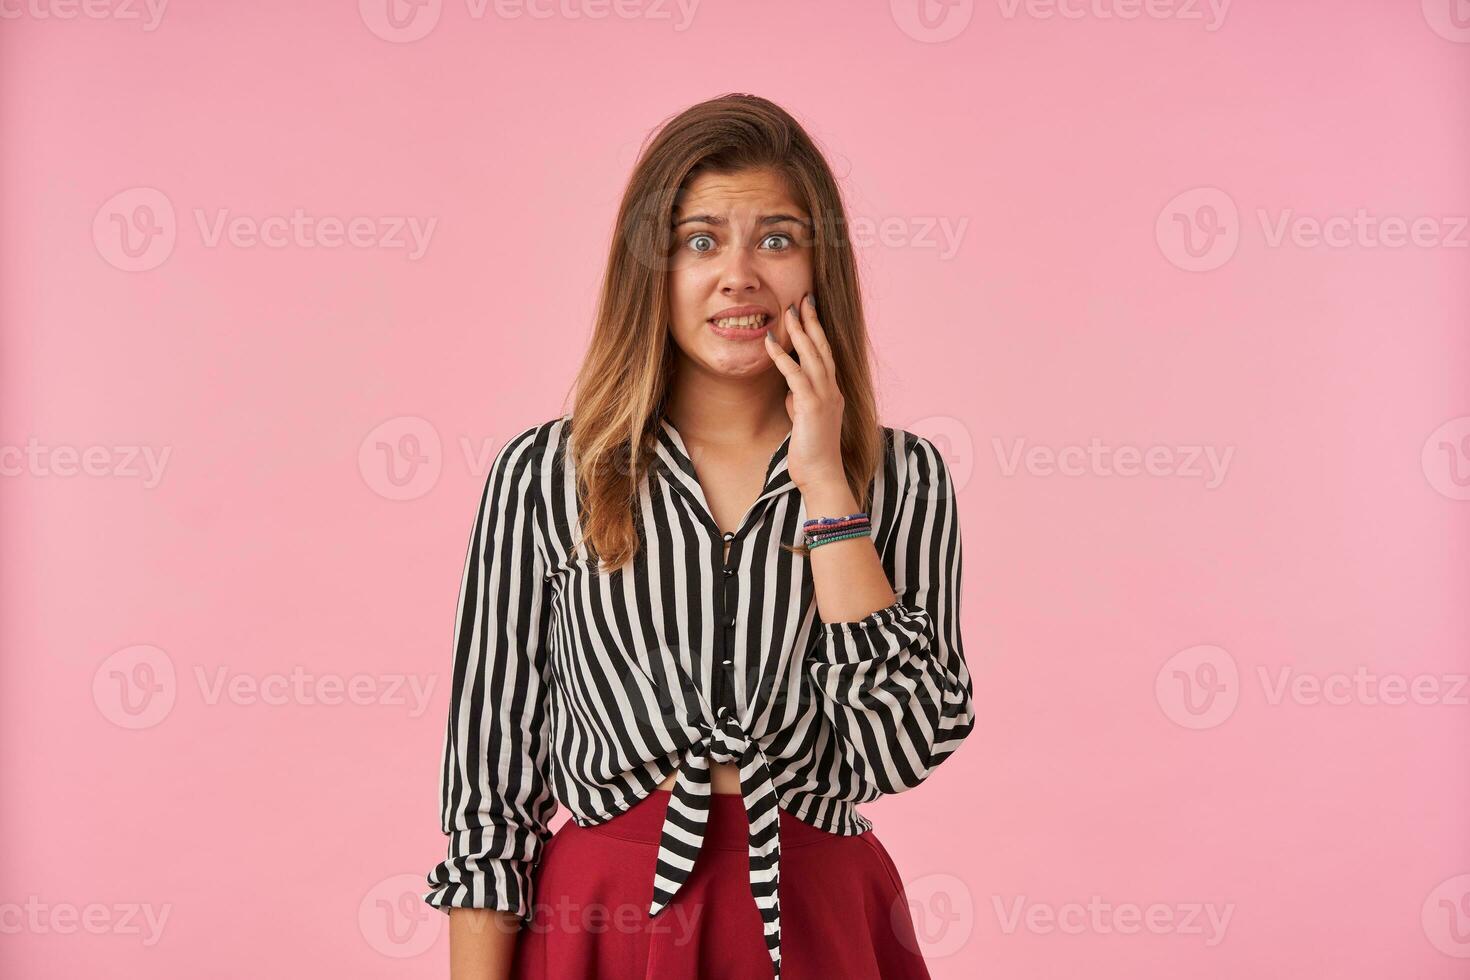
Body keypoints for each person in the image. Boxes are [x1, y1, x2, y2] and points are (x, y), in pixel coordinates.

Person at [424, 93, 976, 980]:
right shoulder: (543, 476)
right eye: (701, 240)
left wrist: (827, 481)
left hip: (820, 914)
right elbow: (488, 795)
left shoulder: (902, 477)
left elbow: (900, 748)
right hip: (601, 918)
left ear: (819, 267)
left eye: (778, 238)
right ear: (652, 265)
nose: (740, 276)